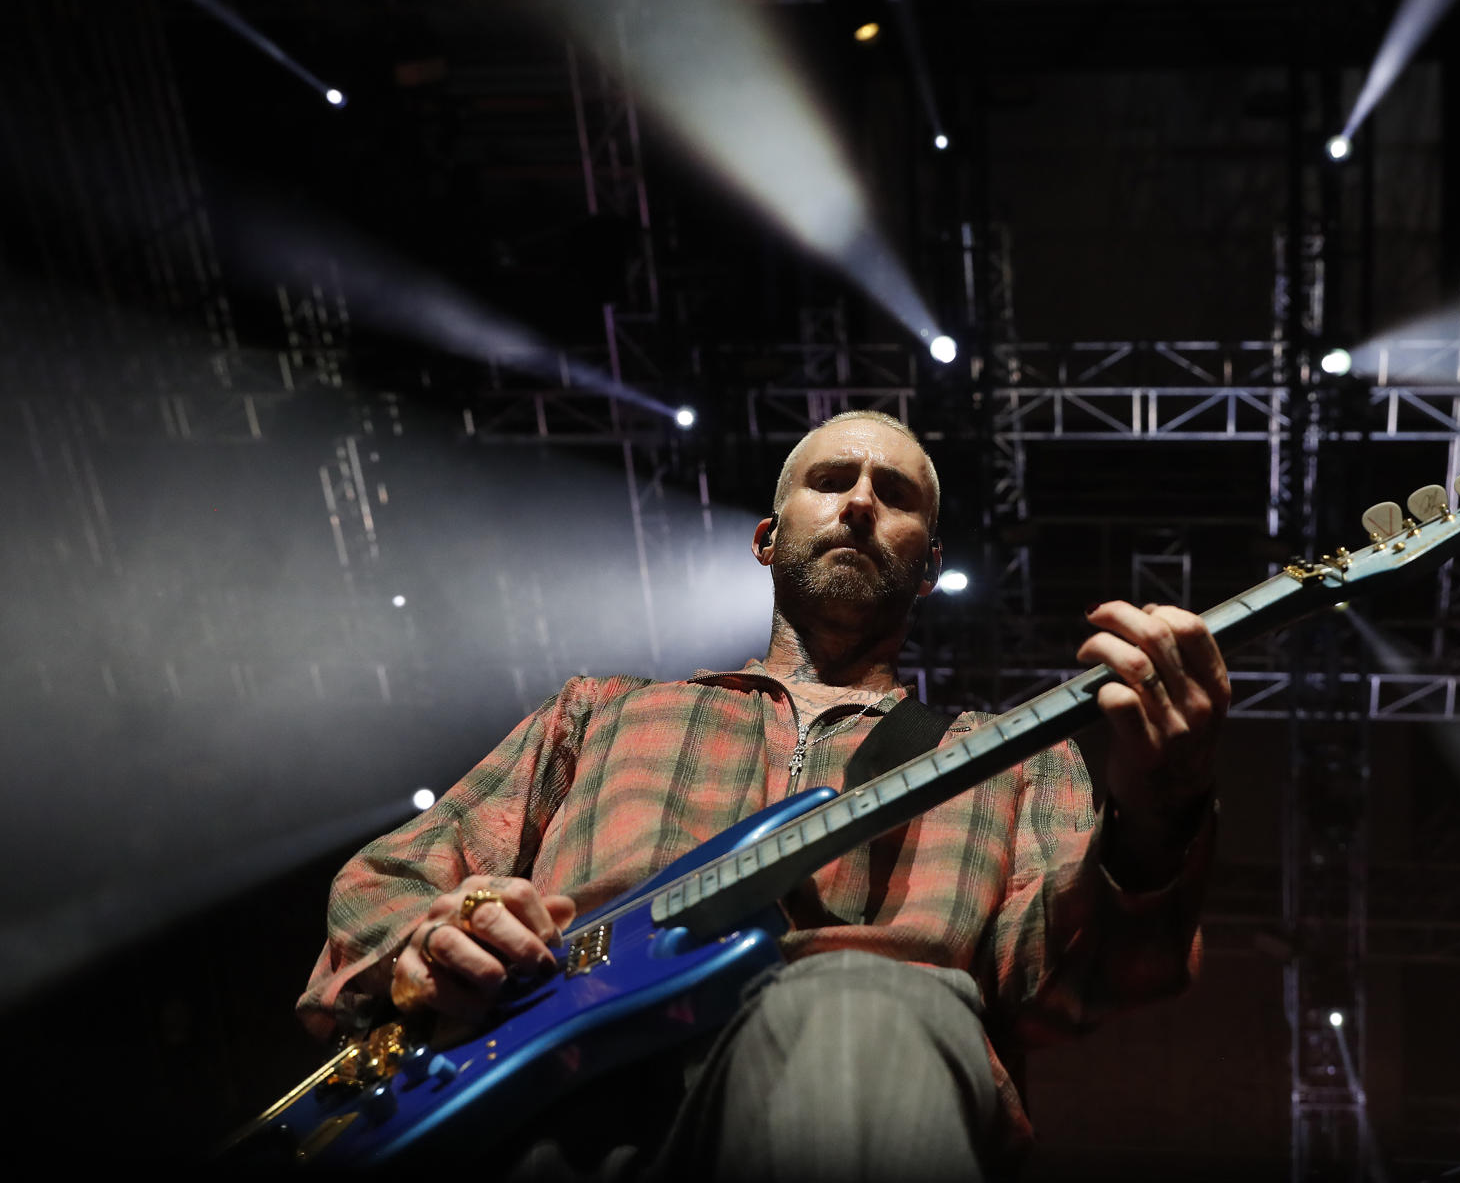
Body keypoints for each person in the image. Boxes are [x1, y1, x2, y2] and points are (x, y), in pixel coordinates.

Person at [297, 410, 1231, 1181]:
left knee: (869, 1004)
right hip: (552, 1097)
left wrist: (1161, 811)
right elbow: (387, 879)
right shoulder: (603, 712)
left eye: (896, 495)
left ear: (928, 555)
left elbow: (1067, 982)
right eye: (833, 481)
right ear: (767, 536)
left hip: (853, 1088)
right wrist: (439, 935)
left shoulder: (1006, 755)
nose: (862, 501)